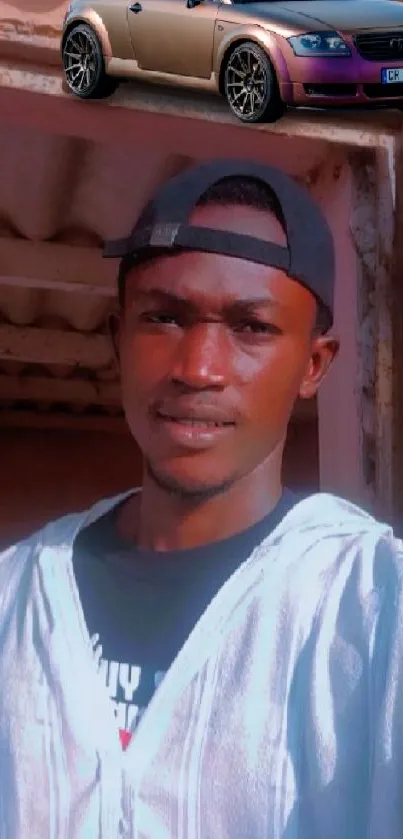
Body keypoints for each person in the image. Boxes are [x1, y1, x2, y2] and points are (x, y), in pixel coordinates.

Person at [1, 159, 402, 839]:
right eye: (163, 316)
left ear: (313, 364)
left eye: (251, 327)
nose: (198, 368)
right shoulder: (16, 592)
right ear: (117, 338)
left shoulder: (369, 607)